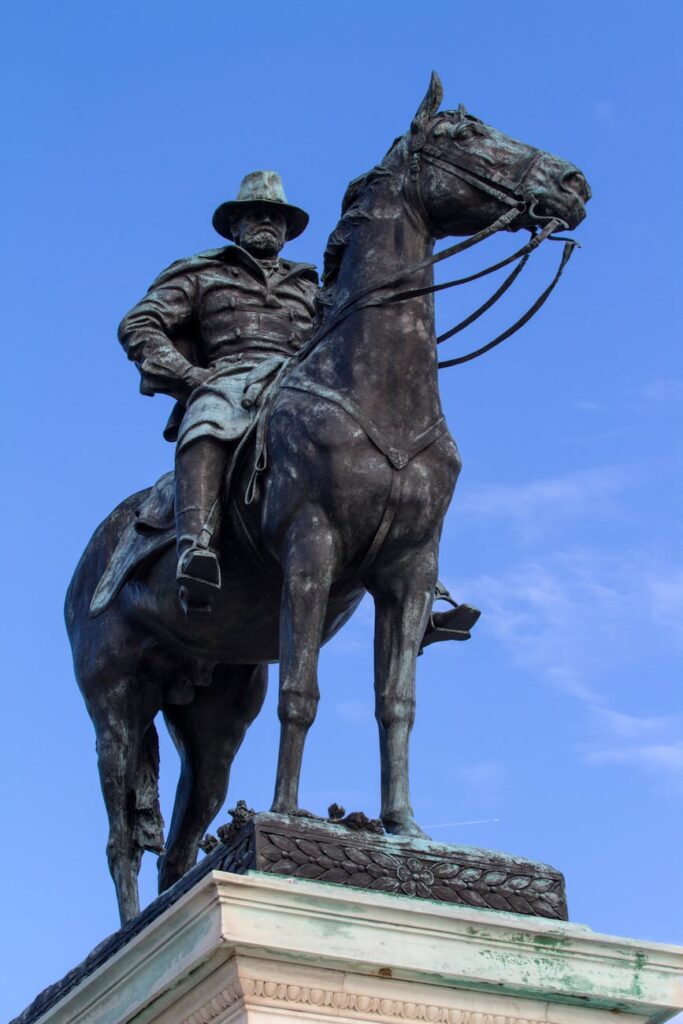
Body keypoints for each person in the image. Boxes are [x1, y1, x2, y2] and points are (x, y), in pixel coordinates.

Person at [118, 171, 318, 611]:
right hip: (231, 380)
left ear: (287, 231)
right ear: (235, 226)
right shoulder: (201, 274)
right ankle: (196, 549)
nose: (267, 221)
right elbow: (139, 324)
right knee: (209, 418)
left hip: (301, 384)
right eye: (255, 214)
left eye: (276, 216)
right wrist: (190, 377)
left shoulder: (311, 288)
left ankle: (414, 585)